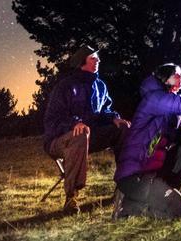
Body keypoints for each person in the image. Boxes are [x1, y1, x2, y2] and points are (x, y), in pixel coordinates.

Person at [114, 63, 181, 219]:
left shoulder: (169, 105)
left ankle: (151, 198)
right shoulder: (154, 98)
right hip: (135, 174)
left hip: (153, 172)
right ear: (165, 79)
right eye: (177, 74)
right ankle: (136, 204)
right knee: (179, 210)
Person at [42, 45, 131, 213]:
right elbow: (54, 118)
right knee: (81, 133)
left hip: (89, 136)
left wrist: (114, 118)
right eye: (93, 57)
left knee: (123, 129)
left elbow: (104, 111)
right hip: (59, 139)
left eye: (97, 58)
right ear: (83, 61)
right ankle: (71, 198)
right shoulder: (65, 86)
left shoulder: (100, 86)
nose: (98, 60)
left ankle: (124, 187)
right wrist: (74, 124)